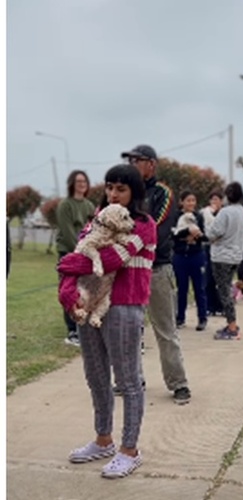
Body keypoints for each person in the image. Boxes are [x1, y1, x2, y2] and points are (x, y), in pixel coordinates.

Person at [57, 163, 156, 479]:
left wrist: (71, 263)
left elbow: (111, 259)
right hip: (90, 303)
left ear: (134, 192)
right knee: (95, 375)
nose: (113, 194)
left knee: (127, 380)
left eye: (121, 189)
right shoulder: (95, 221)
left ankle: (130, 449)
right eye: (110, 187)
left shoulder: (142, 225)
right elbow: (73, 266)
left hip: (125, 306)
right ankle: (103, 439)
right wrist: (68, 293)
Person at [120, 144, 191, 405]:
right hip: (128, 270)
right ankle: (130, 380)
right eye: (129, 160)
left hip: (156, 269)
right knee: (129, 329)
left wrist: (128, 243)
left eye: (136, 160)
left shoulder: (163, 193)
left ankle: (179, 383)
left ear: (151, 164)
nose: (132, 164)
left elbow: (156, 230)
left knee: (165, 330)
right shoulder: (128, 193)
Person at [56, 170, 96, 347]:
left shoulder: (89, 205)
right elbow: (67, 231)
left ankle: (84, 324)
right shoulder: (65, 205)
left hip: (85, 253)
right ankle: (72, 330)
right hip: (69, 253)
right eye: (78, 181)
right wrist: (80, 250)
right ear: (72, 183)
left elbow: (92, 228)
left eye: (84, 181)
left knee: (86, 290)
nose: (82, 184)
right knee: (69, 289)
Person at [208, 182, 243, 340]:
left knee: (224, 292)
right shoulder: (242, 211)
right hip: (236, 256)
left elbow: (213, 233)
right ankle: (231, 322)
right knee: (227, 289)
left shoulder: (225, 212)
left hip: (222, 257)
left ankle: (232, 327)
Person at [171, 191, 208, 331]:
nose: (191, 203)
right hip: (180, 257)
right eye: (188, 200)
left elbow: (203, 235)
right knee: (182, 289)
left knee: (200, 288)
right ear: (182, 202)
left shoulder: (199, 216)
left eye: (193, 200)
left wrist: (196, 236)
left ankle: (202, 318)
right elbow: (173, 235)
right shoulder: (176, 216)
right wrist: (187, 233)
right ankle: (180, 318)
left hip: (196, 256)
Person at [201, 191, 224, 316]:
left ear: (221, 201)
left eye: (216, 199)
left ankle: (221, 306)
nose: (214, 202)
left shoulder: (224, 214)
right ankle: (210, 306)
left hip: (221, 249)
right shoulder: (205, 213)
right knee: (208, 278)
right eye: (212, 199)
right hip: (208, 247)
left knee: (220, 279)